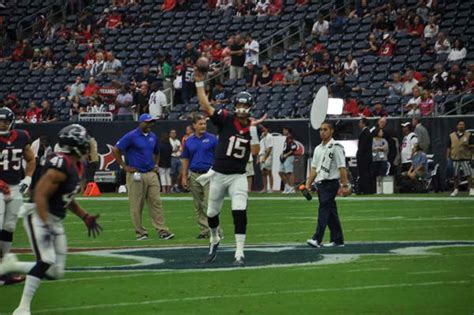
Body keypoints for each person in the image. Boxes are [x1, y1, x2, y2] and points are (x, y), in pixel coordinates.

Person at [0, 124, 102, 314]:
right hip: (38, 214)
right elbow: (39, 194)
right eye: (84, 143)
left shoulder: (76, 165)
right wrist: (46, 224)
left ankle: (12, 265)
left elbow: (67, 197)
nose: (88, 147)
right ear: (75, 145)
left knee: (55, 271)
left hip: (53, 218)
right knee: (45, 260)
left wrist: (84, 216)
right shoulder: (60, 165)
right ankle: (22, 308)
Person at [194, 69, 264, 266]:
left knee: (239, 210)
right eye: (239, 104)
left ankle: (239, 253)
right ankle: (215, 238)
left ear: (250, 107)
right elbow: (206, 106)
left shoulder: (253, 127)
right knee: (211, 213)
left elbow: (256, 151)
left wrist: (252, 131)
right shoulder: (226, 118)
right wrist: (199, 84)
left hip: (238, 176)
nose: (241, 108)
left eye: (244, 105)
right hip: (218, 175)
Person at [112, 114, 174, 240]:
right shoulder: (131, 136)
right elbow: (116, 149)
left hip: (151, 173)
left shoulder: (153, 136)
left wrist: (156, 164)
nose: (150, 124)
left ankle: (162, 230)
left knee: (156, 202)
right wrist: (125, 166)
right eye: (148, 122)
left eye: (152, 122)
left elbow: (157, 152)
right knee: (137, 204)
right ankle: (140, 232)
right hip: (136, 173)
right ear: (141, 123)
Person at [0, 108, 36, 286]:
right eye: (0, 121)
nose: (2, 124)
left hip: (14, 187)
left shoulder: (22, 136)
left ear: (12, 121)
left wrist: (27, 179)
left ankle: (4, 269)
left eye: (5, 121)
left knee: (9, 226)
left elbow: (31, 159)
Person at [305, 122, 350, 248]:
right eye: (320, 130)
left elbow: (342, 167)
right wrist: (308, 183)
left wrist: (344, 185)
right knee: (331, 212)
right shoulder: (318, 148)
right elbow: (314, 168)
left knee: (323, 210)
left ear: (331, 131)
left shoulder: (336, 147)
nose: (322, 132)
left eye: (325, 129)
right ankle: (338, 239)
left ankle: (317, 239)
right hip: (321, 184)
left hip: (331, 183)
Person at [181, 114, 218, 238]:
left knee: (209, 204)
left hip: (209, 174)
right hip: (195, 175)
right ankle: (204, 231)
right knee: (198, 205)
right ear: (194, 126)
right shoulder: (189, 141)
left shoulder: (212, 139)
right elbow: (185, 159)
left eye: (204, 124)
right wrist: (184, 176)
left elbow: (218, 156)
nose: (203, 126)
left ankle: (216, 231)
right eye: (200, 124)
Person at [447, 121, 473, 196]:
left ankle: (471, 188)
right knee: (455, 175)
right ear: (457, 126)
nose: (461, 126)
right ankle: (455, 189)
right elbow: (448, 147)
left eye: (463, 125)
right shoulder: (452, 135)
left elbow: (472, 146)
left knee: (468, 174)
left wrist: (468, 147)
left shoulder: (468, 135)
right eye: (460, 125)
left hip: (465, 157)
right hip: (454, 158)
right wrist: (448, 157)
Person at [357, 118, 373, 194]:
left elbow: (363, 146)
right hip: (365, 156)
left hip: (364, 157)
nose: (359, 124)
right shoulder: (366, 132)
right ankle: (365, 189)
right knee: (365, 173)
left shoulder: (365, 133)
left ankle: (365, 189)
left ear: (364, 123)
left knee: (364, 173)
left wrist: (359, 155)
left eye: (360, 122)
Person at [279, 127, 297, 194]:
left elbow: (294, 148)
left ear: (287, 130)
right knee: (280, 172)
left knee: (289, 172)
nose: (283, 131)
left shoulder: (290, 138)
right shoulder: (286, 138)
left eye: (284, 130)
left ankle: (292, 188)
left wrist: (286, 154)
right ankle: (287, 187)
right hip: (284, 157)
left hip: (289, 157)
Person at [372, 127, 389, 193]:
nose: (382, 133)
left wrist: (378, 148)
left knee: (382, 174)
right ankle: (375, 189)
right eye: (380, 132)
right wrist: (380, 148)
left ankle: (383, 189)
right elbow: (372, 148)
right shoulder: (373, 140)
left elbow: (386, 147)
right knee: (375, 175)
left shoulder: (384, 140)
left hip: (383, 159)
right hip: (375, 159)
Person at [258, 125, 274, 193]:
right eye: (262, 129)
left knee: (269, 172)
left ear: (267, 129)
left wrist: (265, 158)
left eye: (264, 128)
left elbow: (270, 148)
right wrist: (258, 158)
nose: (263, 130)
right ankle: (265, 188)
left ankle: (271, 188)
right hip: (262, 155)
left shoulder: (270, 137)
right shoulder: (262, 137)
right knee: (263, 172)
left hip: (268, 156)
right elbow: (260, 148)